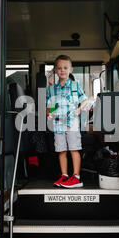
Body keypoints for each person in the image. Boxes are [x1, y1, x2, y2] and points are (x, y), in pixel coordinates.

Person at [46, 55, 88, 188]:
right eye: (59, 68)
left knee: (74, 148)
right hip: (58, 123)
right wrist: (50, 112)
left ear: (71, 69)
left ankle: (76, 177)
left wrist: (79, 109)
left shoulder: (75, 85)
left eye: (65, 68)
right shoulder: (52, 89)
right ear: (55, 70)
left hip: (72, 122)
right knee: (61, 150)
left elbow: (85, 99)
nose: (62, 70)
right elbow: (51, 105)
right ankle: (64, 176)